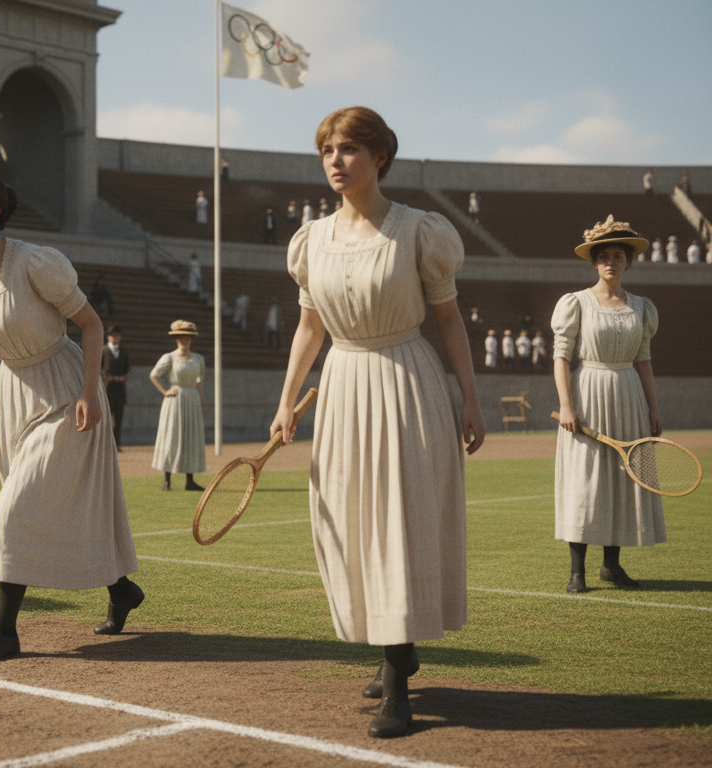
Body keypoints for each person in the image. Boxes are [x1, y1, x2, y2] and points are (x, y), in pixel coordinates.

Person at [271, 107, 485, 739]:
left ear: (380, 157)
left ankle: (396, 682)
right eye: (326, 151)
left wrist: (470, 400)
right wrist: (287, 400)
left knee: (400, 522)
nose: (336, 161)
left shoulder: (420, 231)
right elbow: (310, 328)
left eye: (349, 150)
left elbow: (448, 321)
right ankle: (396, 645)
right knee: (349, 523)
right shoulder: (311, 240)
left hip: (406, 381)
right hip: (342, 385)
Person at [0, 167, 141, 664]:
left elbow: (90, 324)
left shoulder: (35, 263)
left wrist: (89, 391)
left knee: (17, 509)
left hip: (65, 388)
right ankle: (121, 590)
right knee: (43, 505)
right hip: (11, 393)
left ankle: (4, 632)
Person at [552, 216, 663, 594]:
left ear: (628, 262)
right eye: (603, 257)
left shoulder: (641, 307)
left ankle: (612, 566)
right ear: (594, 263)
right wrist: (566, 406)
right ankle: (577, 572)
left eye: (618, 255)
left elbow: (643, 359)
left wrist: (652, 408)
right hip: (588, 395)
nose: (611, 262)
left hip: (628, 395)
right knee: (585, 482)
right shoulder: (576, 303)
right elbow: (561, 357)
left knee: (622, 478)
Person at [149, 320, 206, 492]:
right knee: (172, 437)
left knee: (191, 437)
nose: (185, 341)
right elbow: (154, 375)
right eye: (182, 338)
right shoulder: (170, 357)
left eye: (188, 338)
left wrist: (203, 402)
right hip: (175, 400)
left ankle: (190, 480)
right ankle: (167, 479)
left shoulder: (198, 359)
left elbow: (199, 381)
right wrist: (165, 391)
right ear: (176, 340)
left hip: (192, 399)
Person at [101, 325, 130, 450]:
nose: (115, 338)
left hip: (120, 387)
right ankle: (104, 444)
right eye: (113, 335)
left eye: (117, 335)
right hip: (107, 387)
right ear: (108, 336)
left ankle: (116, 444)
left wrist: (121, 376)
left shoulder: (123, 352)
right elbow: (99, 367)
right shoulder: (103, 350)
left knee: (118, 417)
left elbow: (127, 367)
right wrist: (106, 377)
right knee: (106, 417)